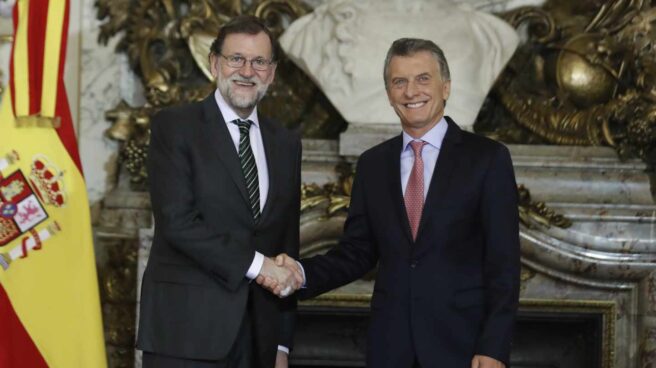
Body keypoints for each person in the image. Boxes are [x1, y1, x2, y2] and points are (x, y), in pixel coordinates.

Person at [262, 38, 520, 368]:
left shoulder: (488, 159)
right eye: (399, 82)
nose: (411, 92)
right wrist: (298, 273)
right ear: (389, 94)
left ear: (446, 87)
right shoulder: (373, 164)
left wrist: (494, 347)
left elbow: (504, 265)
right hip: (390, 348)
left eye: (423, 78)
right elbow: (357, 252)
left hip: (464, 348)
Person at [137, 15, 304, 368]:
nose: (247, 70)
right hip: (186, 334)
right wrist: (259, 267)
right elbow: (177, 222)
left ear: (272, 73)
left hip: (259, 338)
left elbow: (287, 243)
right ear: (214, 63)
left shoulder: (286, 143)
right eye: (236, 59)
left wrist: (282, 345)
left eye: (259, 62)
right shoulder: (175, 127)